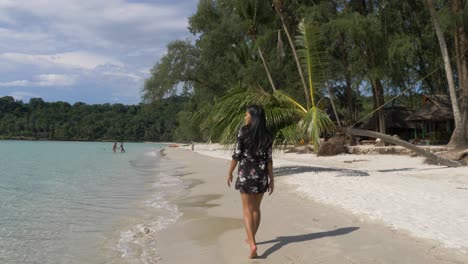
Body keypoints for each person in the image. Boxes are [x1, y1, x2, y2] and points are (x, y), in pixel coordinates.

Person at [227, 105, 274, 259]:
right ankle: (251, 238)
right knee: (256, 209)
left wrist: (230, 172)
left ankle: (252, 243)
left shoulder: (243, 131)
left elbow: (237, 154)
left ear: (253, 116)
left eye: (246, 114)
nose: (245, 117)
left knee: (247, 210)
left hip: (246, 174)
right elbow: (268, 159)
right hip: (260, 176)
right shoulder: (267, 135)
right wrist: (272, 179)